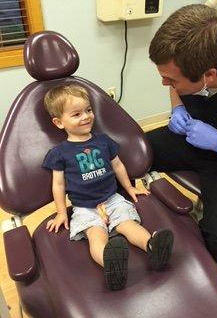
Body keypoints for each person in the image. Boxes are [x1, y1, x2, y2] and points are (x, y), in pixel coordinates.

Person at [42, 83, 174, 291]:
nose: (86, 117)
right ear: (59, 122)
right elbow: (58, 184)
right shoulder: (59, 153)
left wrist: (130, 189)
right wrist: (60, 213)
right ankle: (111, 264)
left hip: (113, 198)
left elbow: (118, 165)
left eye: (88, 110)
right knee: (96, 234)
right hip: (85, 207)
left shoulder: (104, 141)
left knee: (129, 225)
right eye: (76, 114)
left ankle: (152, 246)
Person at [146, 3, 217, 266]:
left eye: (170, 80)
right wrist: (177, 106)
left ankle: (188, 272)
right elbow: (176, 83)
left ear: (208, 75)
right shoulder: (203, 55)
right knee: (129, 154)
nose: (165, 84)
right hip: (189, 136)